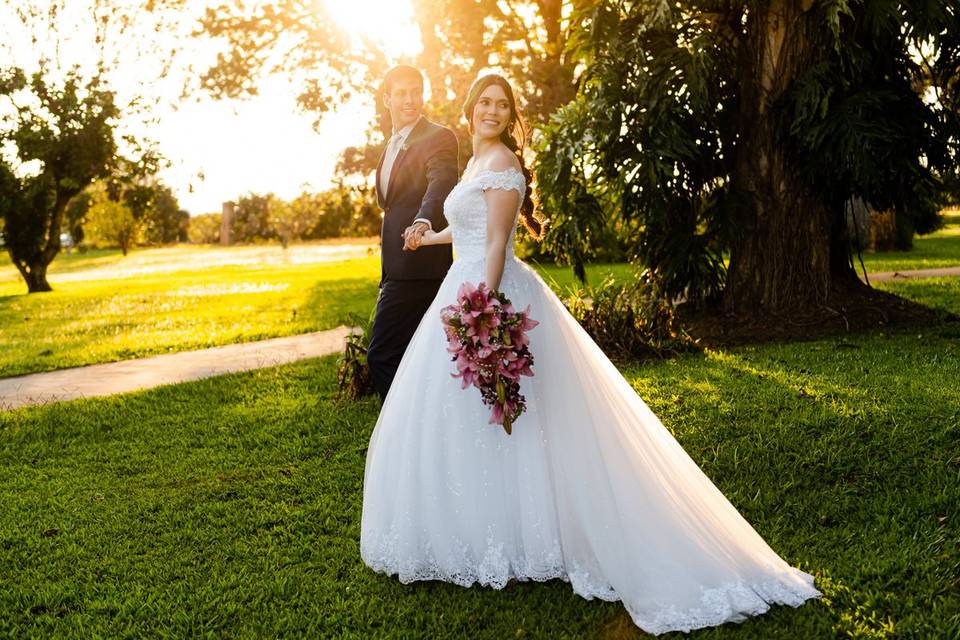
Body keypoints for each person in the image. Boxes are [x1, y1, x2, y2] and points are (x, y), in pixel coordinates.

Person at [359, 73, 820, 635]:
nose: (492, 111)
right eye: (485, 102)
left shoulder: (502, 164)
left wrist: (486, 310)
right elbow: (466, 230)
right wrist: (424, 238)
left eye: (503, 105)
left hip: (487, 294)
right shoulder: (475, 162)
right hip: (462, 284)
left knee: (520, 414)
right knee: (475, 418)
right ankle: (493, 531)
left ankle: (541, 534)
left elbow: (498, 244)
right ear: (470, 106)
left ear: (510, 115)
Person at [366, 65, 460, 401]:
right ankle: (425, 430)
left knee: (381, 356)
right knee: (416, 358)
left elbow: (440, 183)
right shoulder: (391, 145)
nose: (410, 100)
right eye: (402, 93)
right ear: (386, 99)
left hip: (419, 264)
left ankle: (402, 433)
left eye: (416, 92)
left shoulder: (438, 136)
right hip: (395, 268)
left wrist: (423, 221)